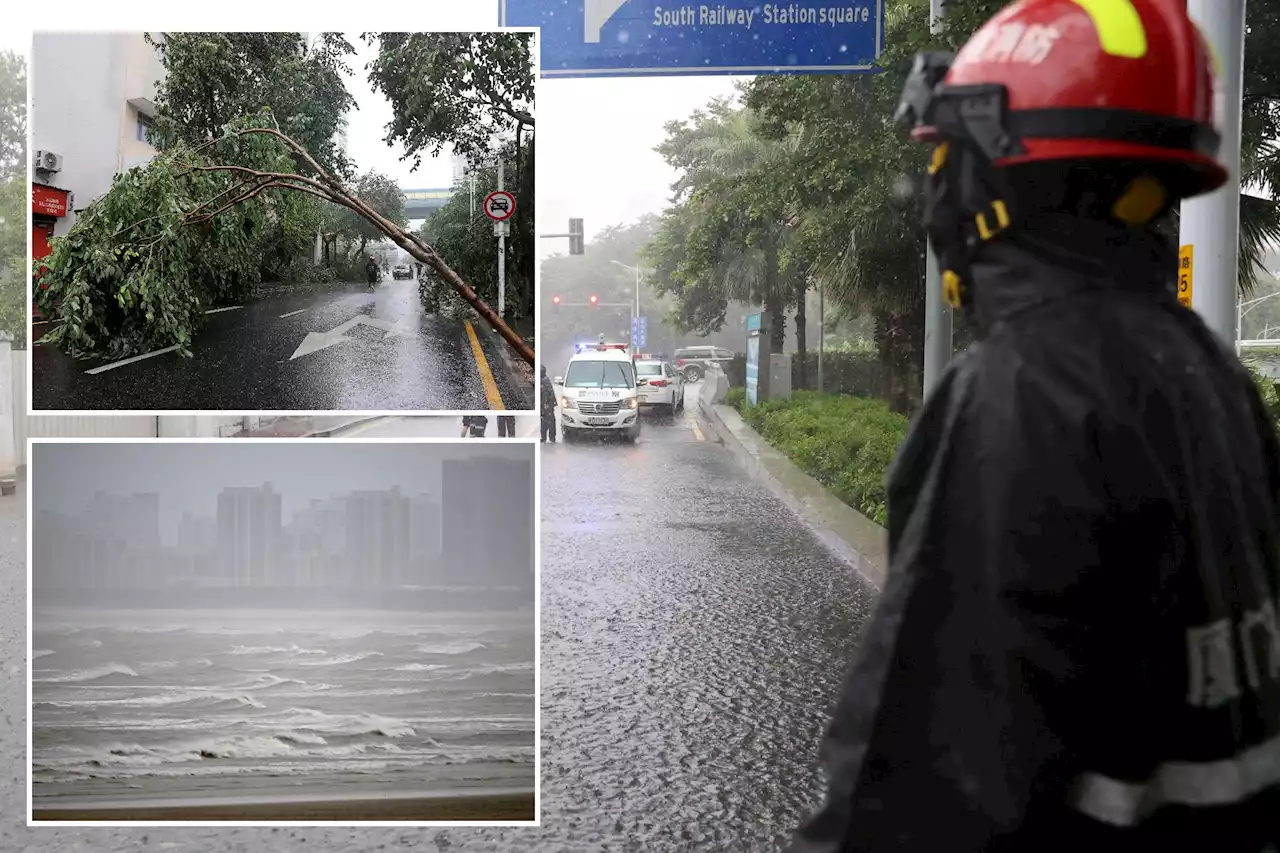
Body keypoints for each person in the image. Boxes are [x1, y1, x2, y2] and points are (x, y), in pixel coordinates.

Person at [788, 3, 1280, 852]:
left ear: (996, 179)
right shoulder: (1211, 372)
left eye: (947, 161)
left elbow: (922, 793)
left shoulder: (1023, 393)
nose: (937, 191)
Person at [540, 365, 557, 443]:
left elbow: (547, 394)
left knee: (547, 421)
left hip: (547, 404)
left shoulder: (544, 381)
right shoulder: (544, 380)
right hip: (546, 404)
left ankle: (550, 438)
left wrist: (546, 404)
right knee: (546, 421)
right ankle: (547, 437)